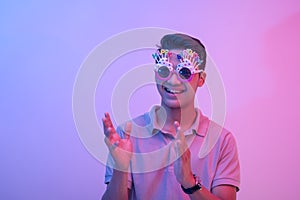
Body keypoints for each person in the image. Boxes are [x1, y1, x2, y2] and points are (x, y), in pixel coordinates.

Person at [101, 33, 240, 200]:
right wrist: (120, 168)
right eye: (164, 70)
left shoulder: (222, 141)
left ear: (201, 79)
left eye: (184, 72)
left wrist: (189, 182)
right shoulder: (128, 134)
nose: (173, 81)